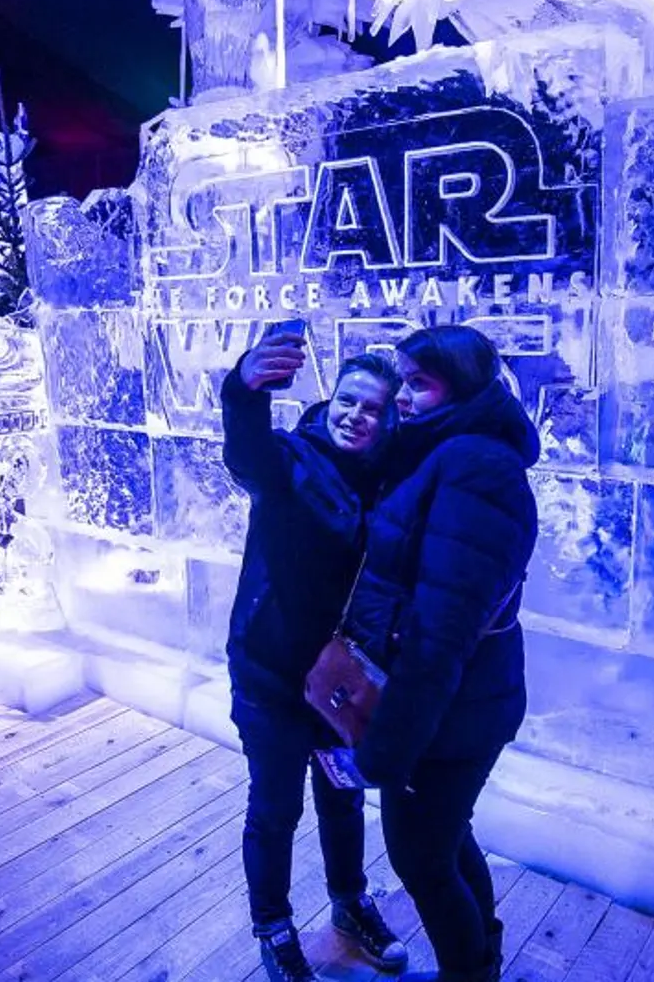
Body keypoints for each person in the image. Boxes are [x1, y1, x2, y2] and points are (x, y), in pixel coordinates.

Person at [345, 325, 539, 982]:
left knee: (420, 856)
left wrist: (390, 741)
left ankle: (469, 971)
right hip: (455, 706)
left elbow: (443, 630)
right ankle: (480, 961)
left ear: (461, 389)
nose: (401, 395)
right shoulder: (449, 449)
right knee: (446, 837)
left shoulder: (476, 468)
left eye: (417, 383)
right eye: (401, 379)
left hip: (448, 713)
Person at [222, 331, 410, 982]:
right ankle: (274, 927)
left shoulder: (390, 481)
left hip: (341, 684)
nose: (357, 415)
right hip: (271, 677)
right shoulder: (291, 461)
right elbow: (246, 455)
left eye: (373, 408)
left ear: (388, 419)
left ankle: (350, 903)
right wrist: (242, 388)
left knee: (342, 799)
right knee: (275, 807)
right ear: (331, 401)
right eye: (349, 401)